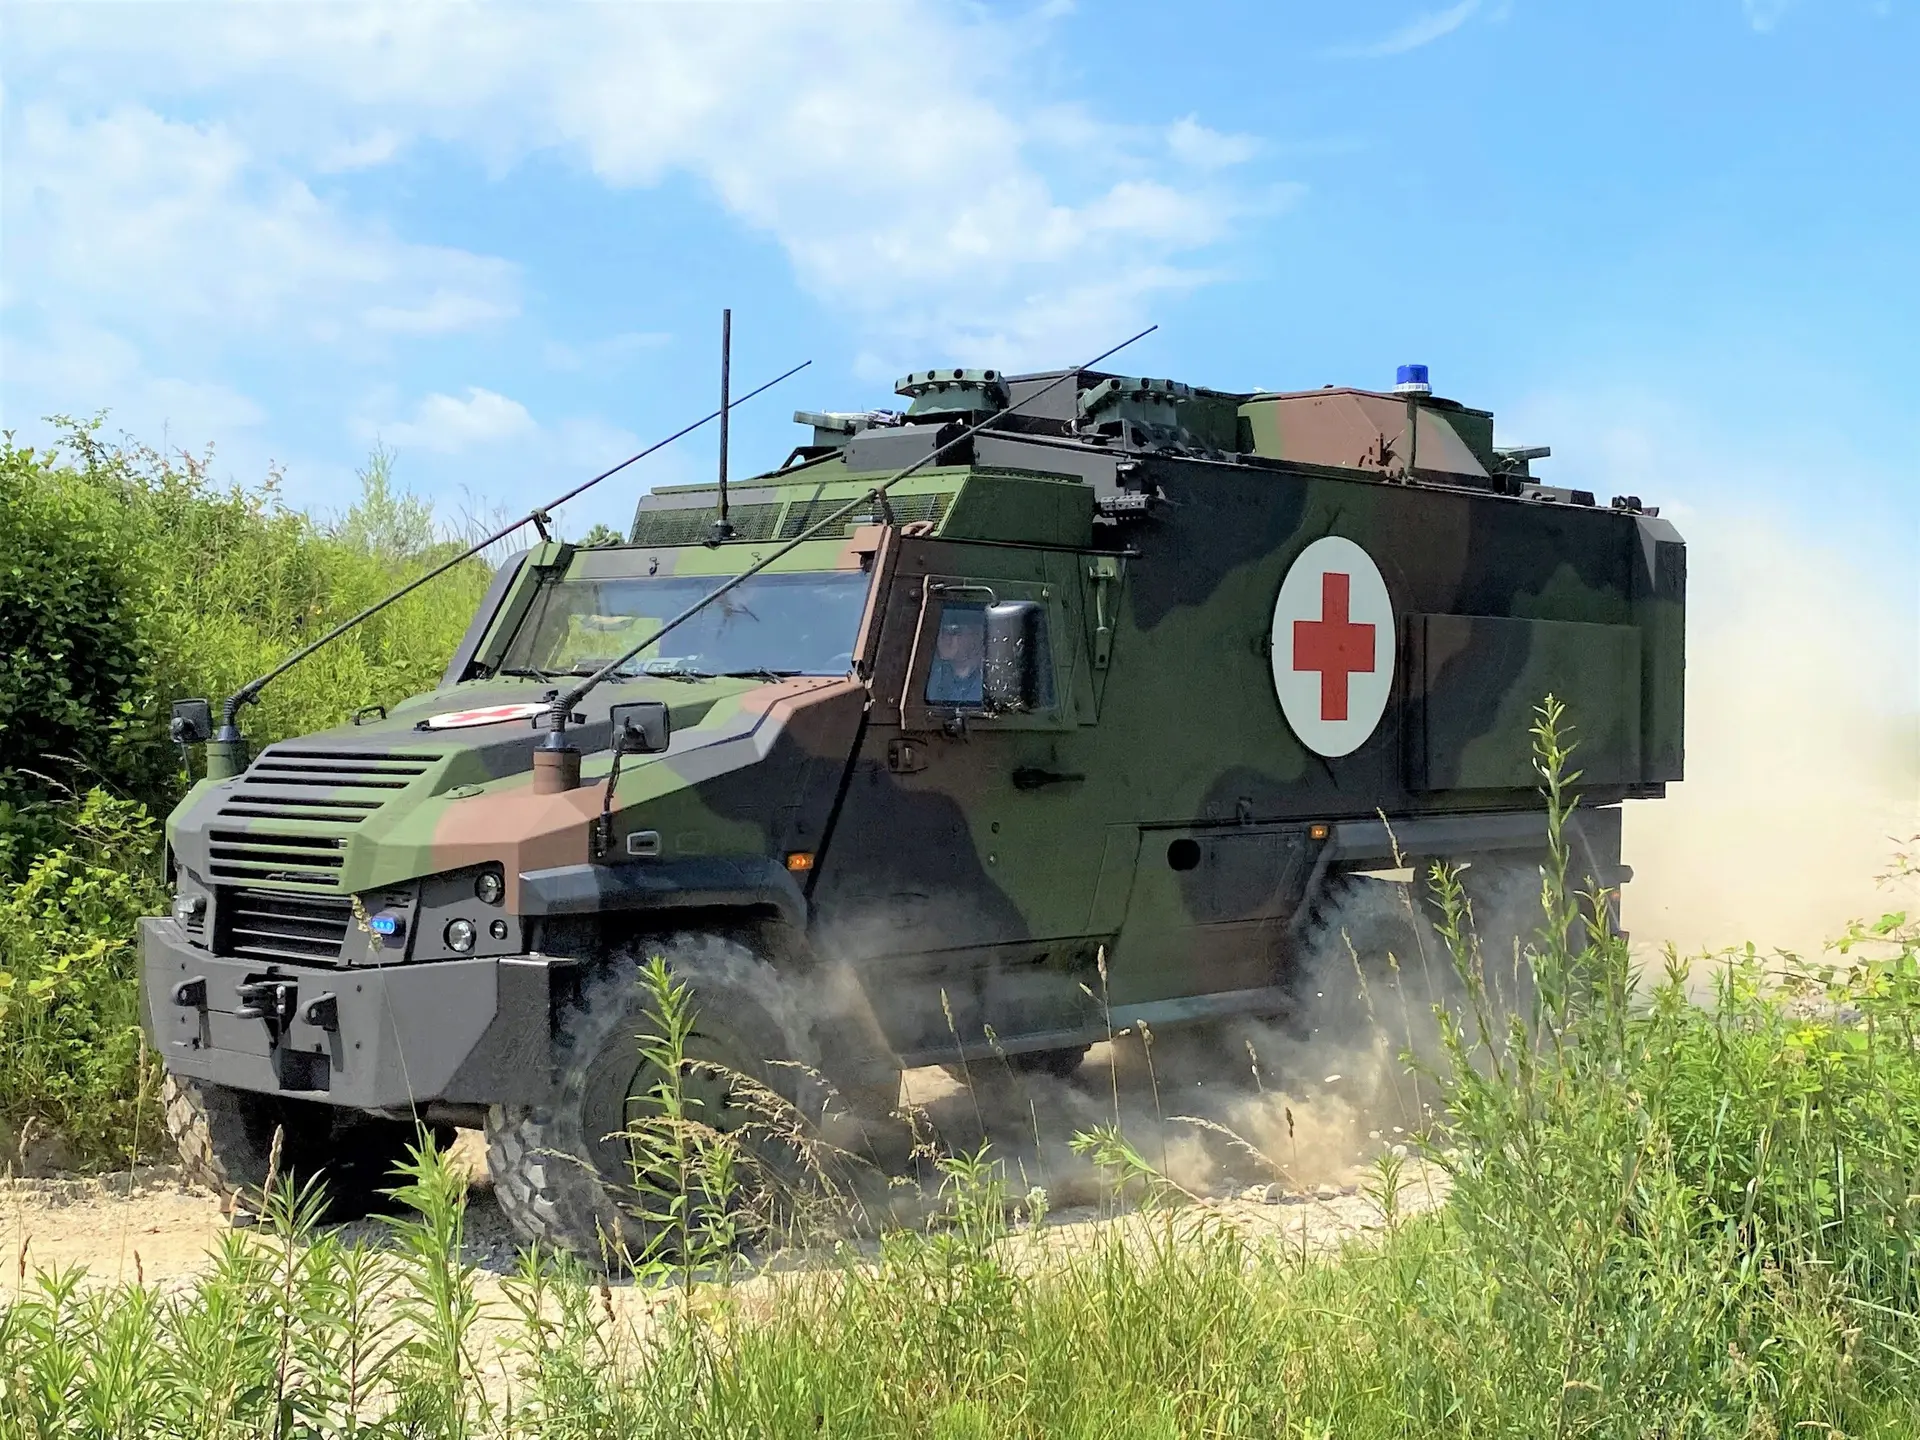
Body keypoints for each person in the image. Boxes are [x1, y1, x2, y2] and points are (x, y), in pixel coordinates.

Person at [925, 605, 986, 706]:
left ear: (977, 635)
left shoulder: (992, 680)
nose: (943, 638)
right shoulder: (932, 676)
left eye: (953, 631)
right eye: (940, 631)